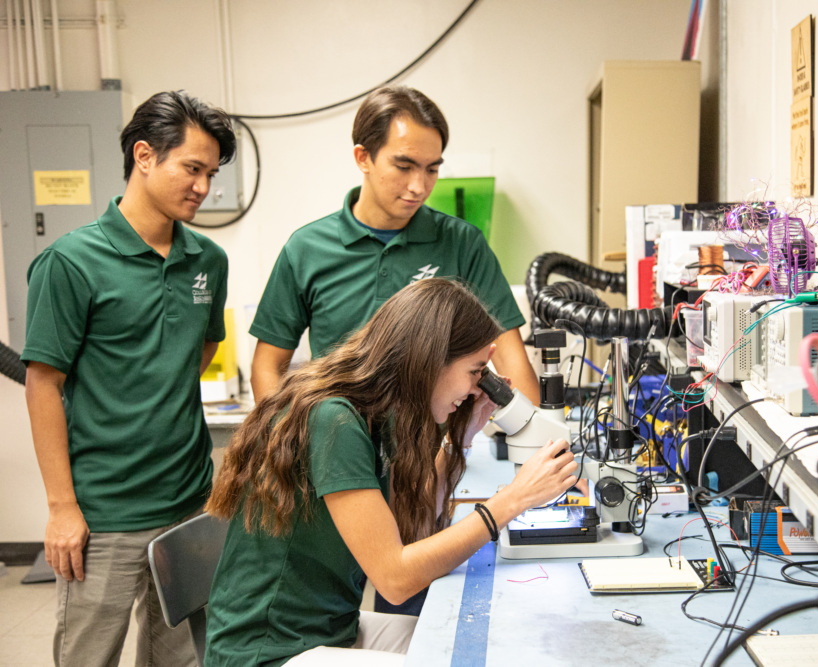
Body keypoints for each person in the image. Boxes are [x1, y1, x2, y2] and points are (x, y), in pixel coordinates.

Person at [204, 279, 576, 666]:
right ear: (431, 360)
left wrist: (459, 441)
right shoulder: (334, 421)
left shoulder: (373, 414)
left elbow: (408, 529)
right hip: (269, 653)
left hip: (331, 628)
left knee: (482, 642)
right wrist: (511, 501)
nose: (474, 390)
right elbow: (396, 579)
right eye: (474, 372)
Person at [21, 91, 237, 666]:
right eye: (192, 168)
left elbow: (200, 346)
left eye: (211, 174)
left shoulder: (208, 261)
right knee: (90, 658)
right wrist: (62, 507)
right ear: (144, 155)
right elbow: (42, 383)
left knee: (181, 659)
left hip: (189, 503)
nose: (203, 186)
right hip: (105, 514)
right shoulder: (71, 262)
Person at [249, 85, 539, 406]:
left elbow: (510, 357)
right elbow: (267, 366)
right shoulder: (306, 249)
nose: (419, 186)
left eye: (432, 169)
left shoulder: (462, 243)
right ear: (363, 158)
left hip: (434, 450)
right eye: (404, 167)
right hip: (336, 443)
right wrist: (282, 443)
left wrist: (535, 438)